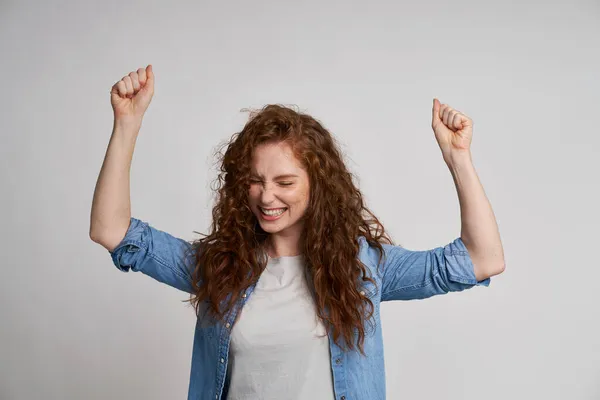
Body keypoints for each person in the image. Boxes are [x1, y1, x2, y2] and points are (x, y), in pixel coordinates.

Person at [90, 64, 505, 400]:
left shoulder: (365, 268)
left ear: (317, 184)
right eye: (255, 180)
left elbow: (482, 259)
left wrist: (458, 158)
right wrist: (126, 124)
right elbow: (113, 230)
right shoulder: (219, 267)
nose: (266, 196)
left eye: (284, 182)